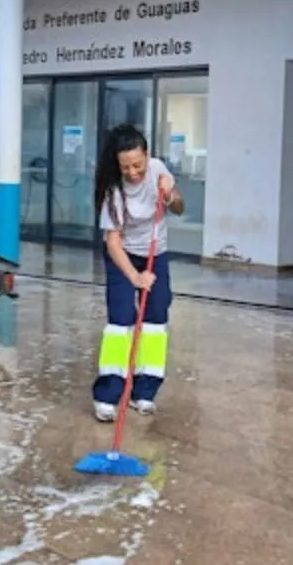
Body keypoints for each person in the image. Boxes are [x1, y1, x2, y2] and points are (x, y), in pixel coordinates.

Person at [91, 123, 185, 422]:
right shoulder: (112, 191)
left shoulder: (157, 168)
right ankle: (108, 395)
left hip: (156, 252)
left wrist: (169, 195)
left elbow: (180, 207)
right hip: (123, 255)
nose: (133, 172)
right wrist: (135, 277)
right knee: (121, 322)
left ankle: (144, 392)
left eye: (138, 165)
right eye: (126, 167)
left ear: (147, 156)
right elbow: (113, 242)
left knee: (156, 321)